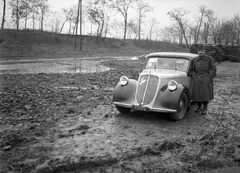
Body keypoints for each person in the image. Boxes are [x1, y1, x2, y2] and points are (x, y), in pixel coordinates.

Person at [192, 45, 217, 115]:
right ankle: (199, 107)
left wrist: (209, 77)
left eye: (202, 51)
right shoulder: (195, 60)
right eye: (199, 51)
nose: (200, 52)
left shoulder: (209, 59)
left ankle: (205, 108)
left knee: (205, 93)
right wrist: (194, 76)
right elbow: (192, 69)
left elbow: (213, 68)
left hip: (206, 78)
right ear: (197, 51)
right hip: (197, 78)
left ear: (204, 51)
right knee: (197, 93)